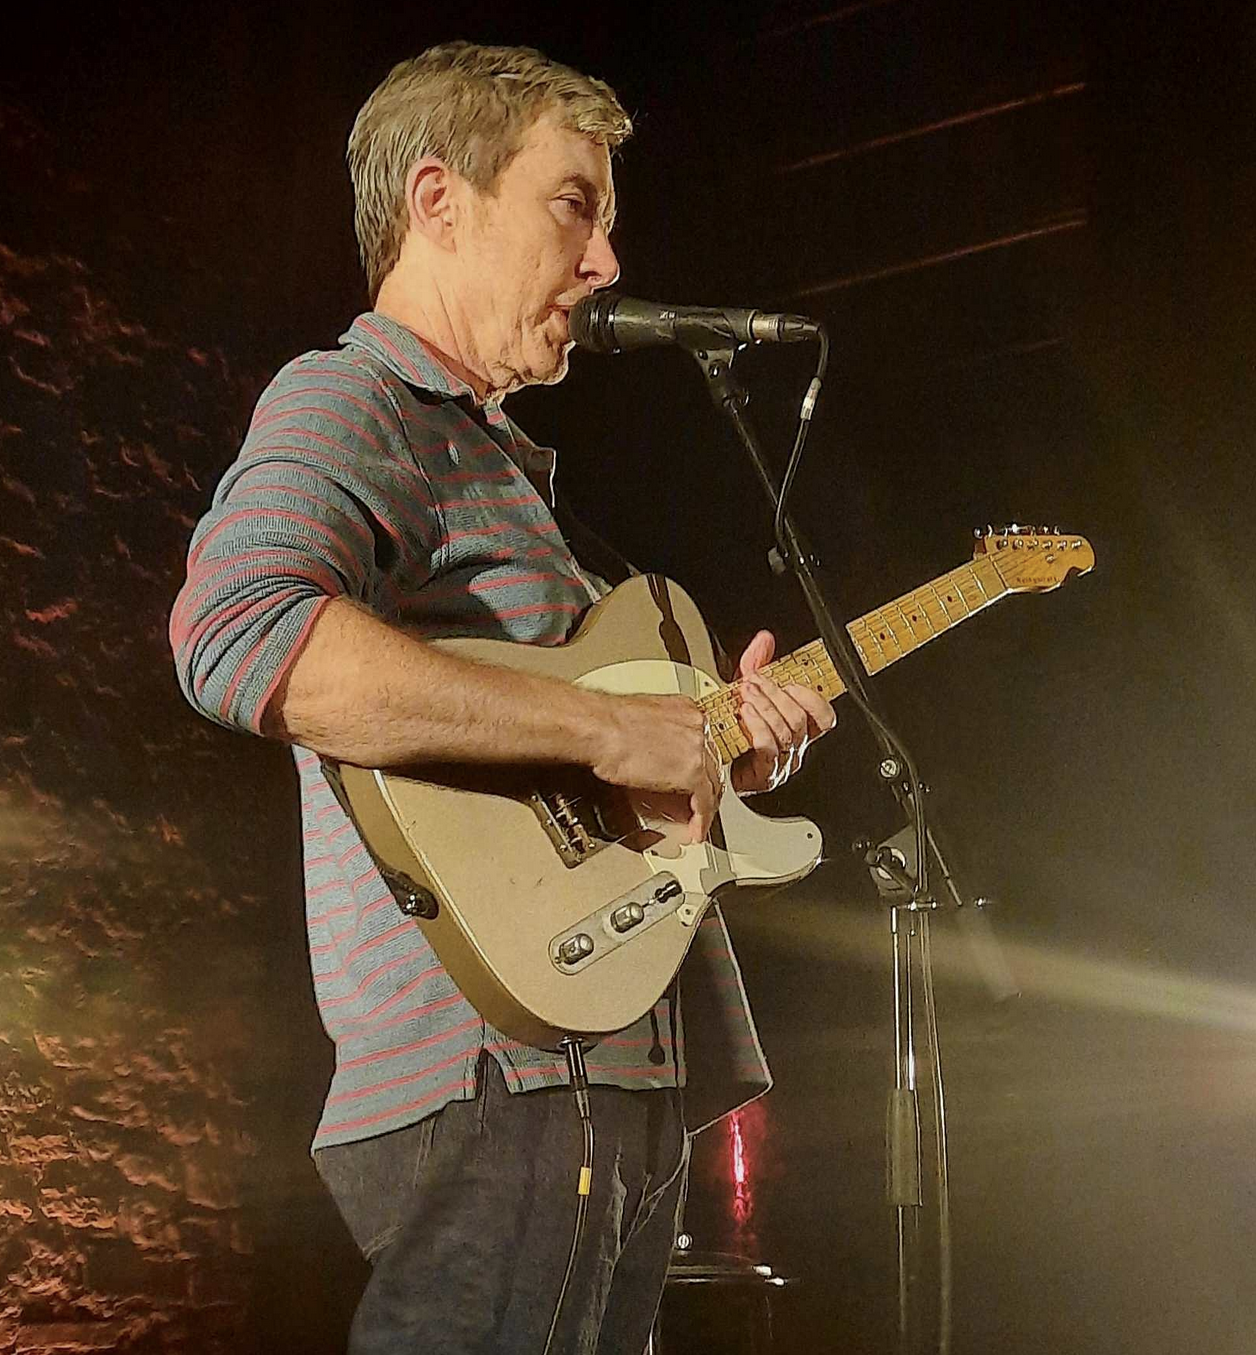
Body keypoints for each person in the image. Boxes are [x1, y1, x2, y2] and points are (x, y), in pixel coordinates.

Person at [169, 41, 833, 1355]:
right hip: (498, 1067)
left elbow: (558, 754)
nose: (605, 263)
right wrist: (608, 725)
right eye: (572, 204)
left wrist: (712, 758)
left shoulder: (508, 468)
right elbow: (237, 632)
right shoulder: (356, 398)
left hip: (600, 1065)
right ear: (438, 202)